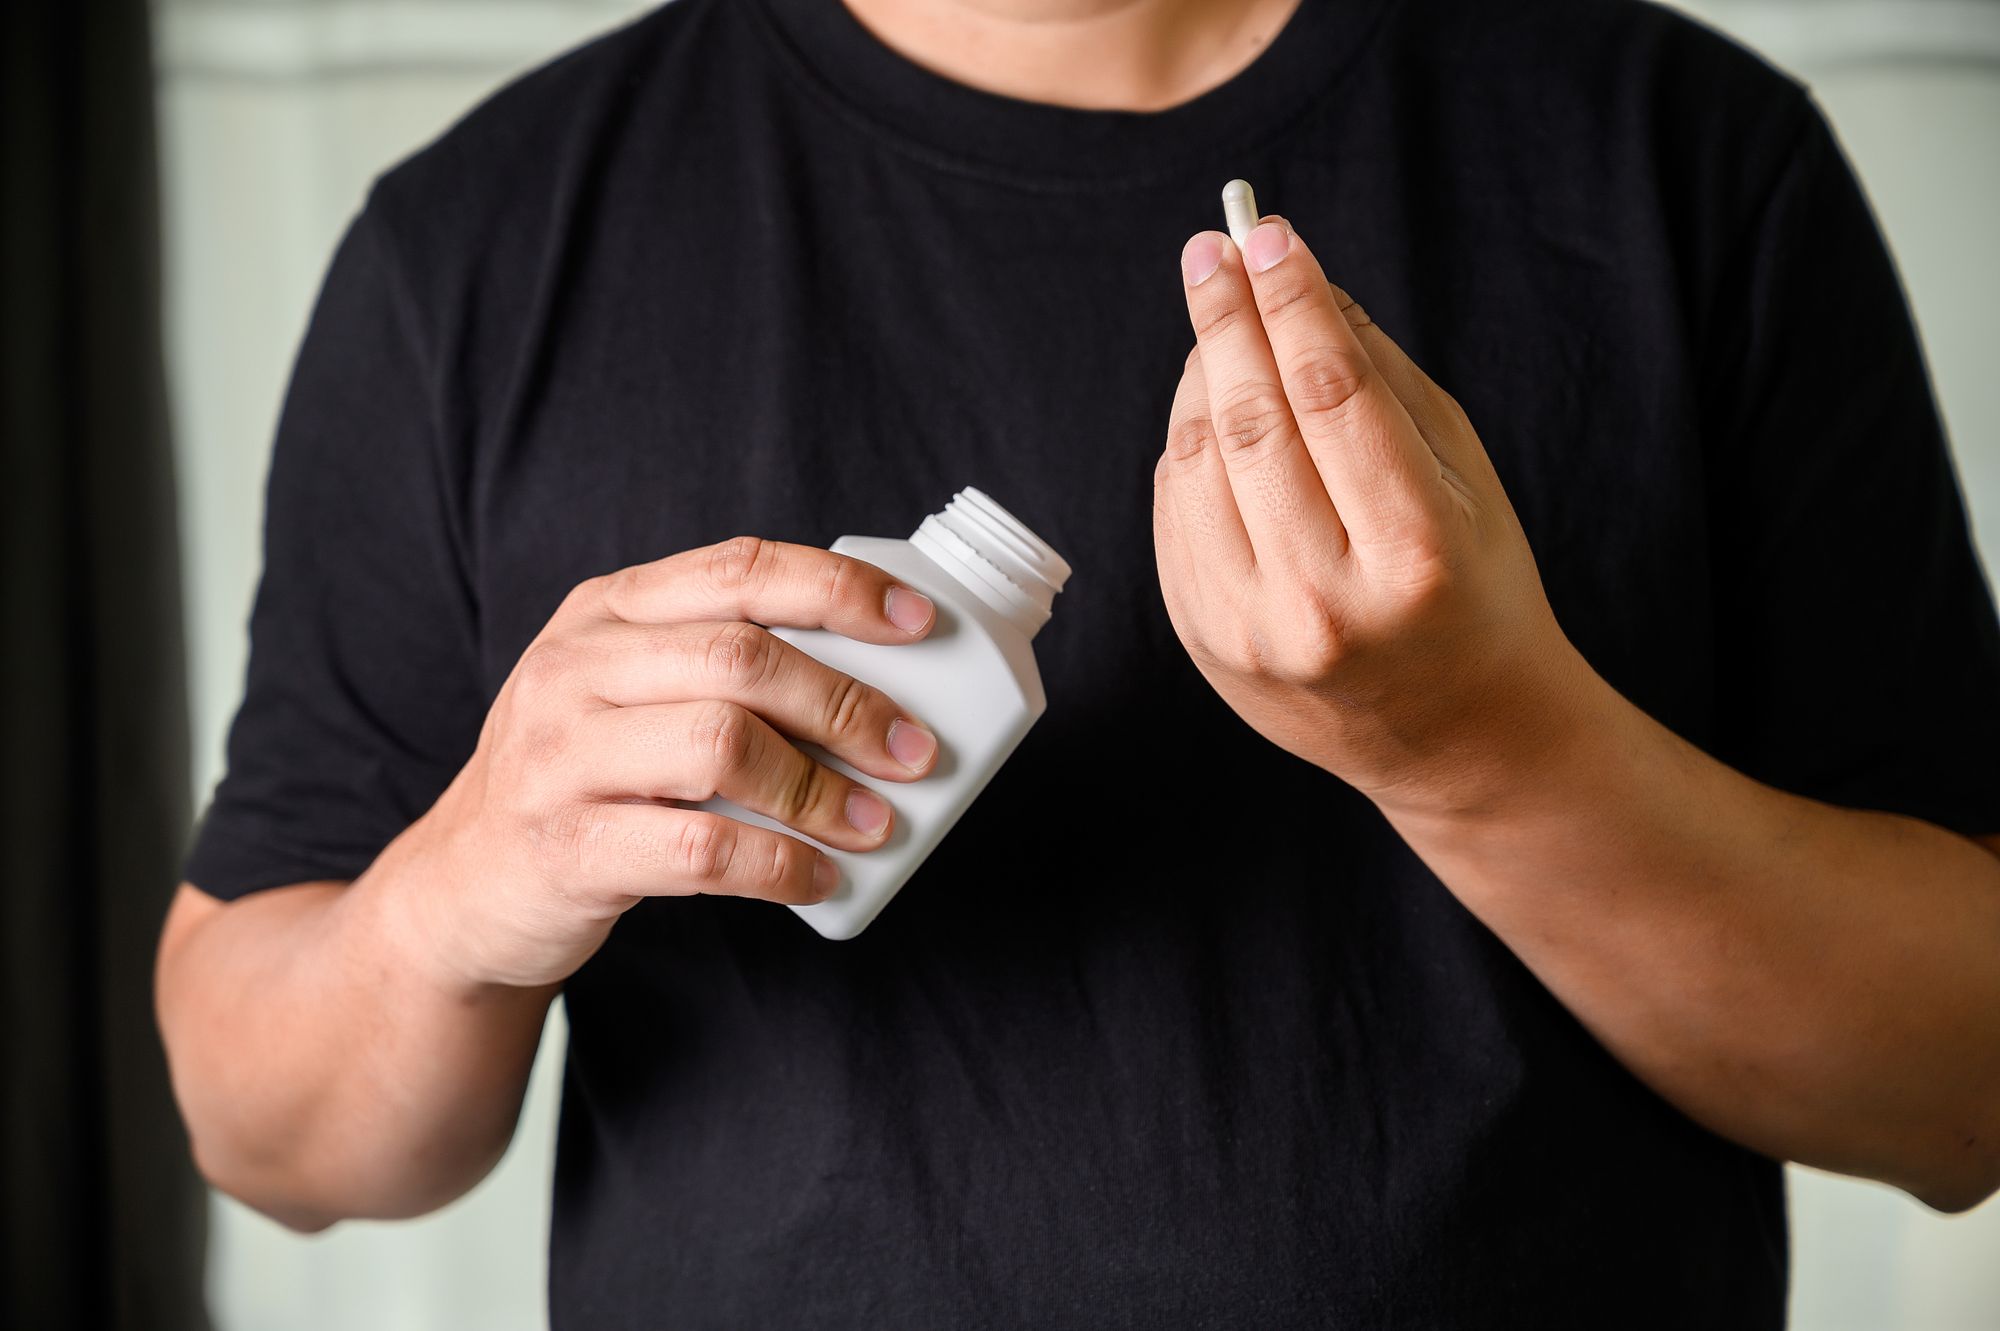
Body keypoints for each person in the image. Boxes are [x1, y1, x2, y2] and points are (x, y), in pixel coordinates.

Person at [154, 0, 2000, 1324]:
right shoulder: (474, 244)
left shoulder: (1687, 157)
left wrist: (1473, 742)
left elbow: (1964, 1090)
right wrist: (471, 880)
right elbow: (269, 1135)